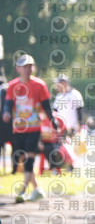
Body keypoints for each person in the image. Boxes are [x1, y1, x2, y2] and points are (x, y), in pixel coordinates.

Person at [1, 54, 58, 202]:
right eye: (24, 67)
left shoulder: (39, 85)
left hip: (34, 127)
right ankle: (37, 190)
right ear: (18, 68)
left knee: (30, 157)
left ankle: (22, 191)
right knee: (24, 158)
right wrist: (6, 113)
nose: (28, 69)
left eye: (30, 66)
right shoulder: (13, 86)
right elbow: (8, 103)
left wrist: (53, 122)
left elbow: (46, 106)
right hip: (18, 128)